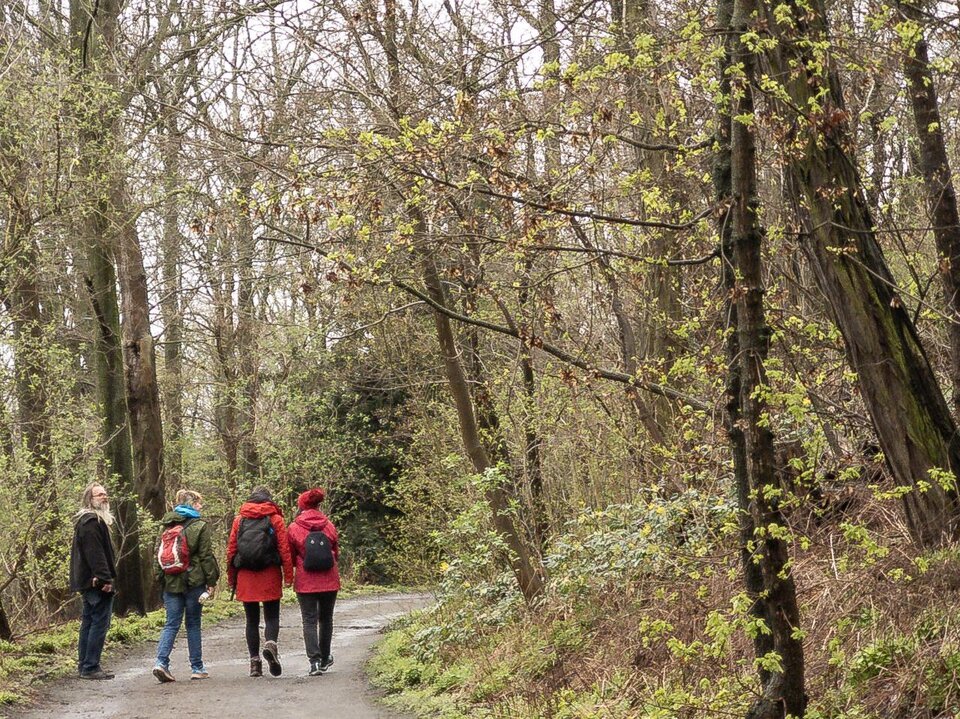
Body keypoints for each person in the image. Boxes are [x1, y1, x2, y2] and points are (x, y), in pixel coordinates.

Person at [152, 489, 220, 683]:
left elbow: (158, 555)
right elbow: (206, 556)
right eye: (198, 503)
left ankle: (161, 662)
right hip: (194, 582)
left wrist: (160, 579)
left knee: (171, 623)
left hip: (171, 582)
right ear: (191, 504)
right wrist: (211, 581)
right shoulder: (199, 526)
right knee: (193, 624)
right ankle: (197, 667)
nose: (201, 506)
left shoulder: (166, 524)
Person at [226, 486, 293, 678]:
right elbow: (284, 550)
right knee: (272, 617)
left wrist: (232, 578)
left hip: (246, 576)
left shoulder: (239, 519)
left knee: (251, 620)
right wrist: (289, 576)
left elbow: (231, 550)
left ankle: (254, 663)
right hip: (269, 573)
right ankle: (270, 644)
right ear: (269, 500)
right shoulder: (275, 519)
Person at [287, 488, 341, 675]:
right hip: (329, 579)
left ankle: (314, 662)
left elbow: (291, 556)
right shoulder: (329, 525)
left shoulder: (294, 527)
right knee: (326, 619)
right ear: (319, 505)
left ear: (301, 506)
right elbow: (336, 552)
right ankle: (325, 658)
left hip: (305, 580)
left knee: (309, 620)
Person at [69, 482, 117, 680]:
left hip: (89, 580)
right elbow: (95, 554)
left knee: (89, 621)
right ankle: (90, 666)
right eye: (99, 495)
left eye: (105, 494)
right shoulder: (91, 522)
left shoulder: (92, 521)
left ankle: (85, 665)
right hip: (95, 582)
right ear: (90, 499)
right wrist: (104, 578)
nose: (104, 497)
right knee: (98, 622)